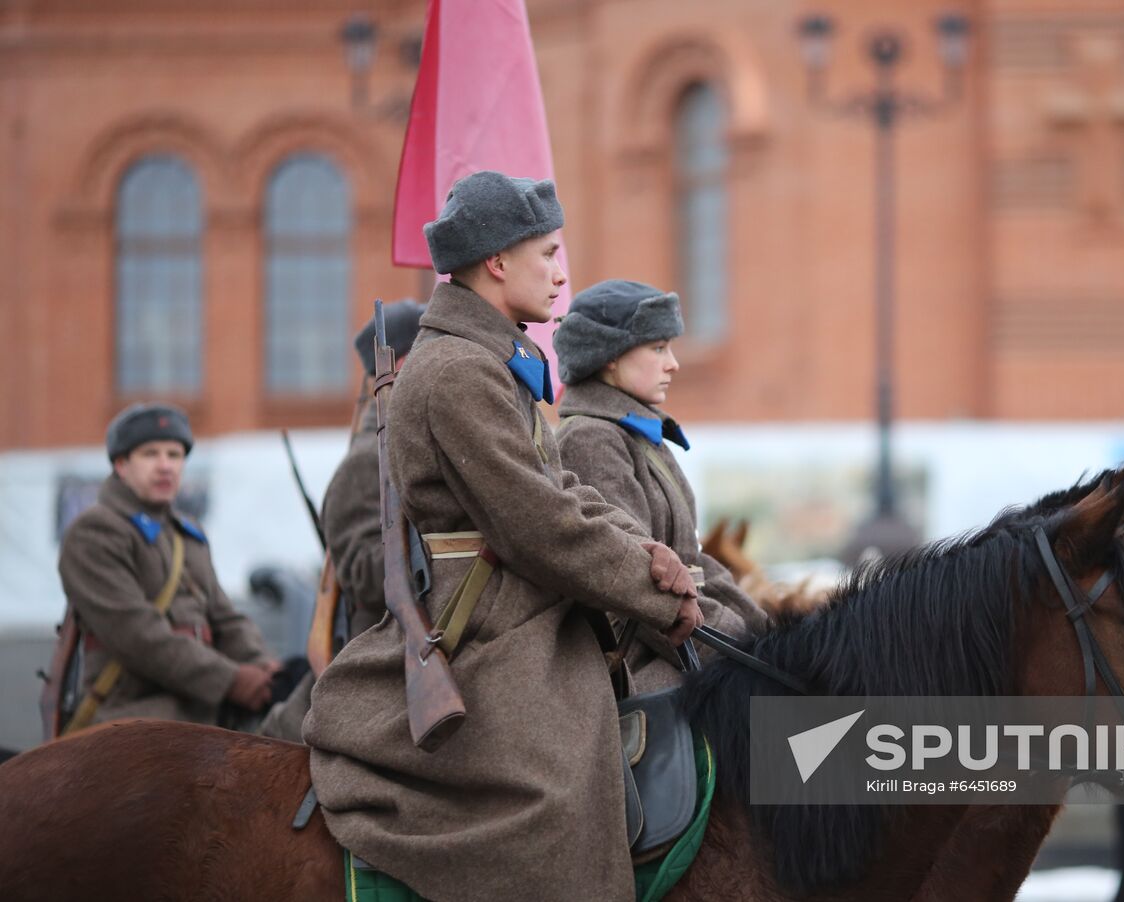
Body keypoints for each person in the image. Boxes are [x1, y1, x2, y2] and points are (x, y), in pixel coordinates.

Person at [302, 171, 702, 902]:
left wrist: (651, 557)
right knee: (558, 789)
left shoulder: (491, 362)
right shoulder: (458, 370)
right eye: (548, 254)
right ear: (496, 262)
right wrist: (648, 590)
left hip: (521, 613)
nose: (559, 274)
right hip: (487, 629)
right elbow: (534, 522)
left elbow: (562, 491)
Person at [553, 278, 768, 691]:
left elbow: (693, 563)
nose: (674, 363)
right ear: (609, 357)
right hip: (638, 660)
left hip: (680, 640)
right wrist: (738, 646)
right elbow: (635, 574)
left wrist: (769, 632)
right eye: (657, 348)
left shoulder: (636, 433)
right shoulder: (591, 439)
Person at [258, 300, 427, 742]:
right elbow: (367, 576)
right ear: (404, 362)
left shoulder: (412, 443)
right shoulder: (366, 463)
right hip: (381, 659)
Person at [56, 403, 276, 729]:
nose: (165, 466)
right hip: (135, 713)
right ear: (121, 464)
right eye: (150, 454)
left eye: (174, 456)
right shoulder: (95, 532)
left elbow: (225, 618)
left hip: (204, 706)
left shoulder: (187, 533)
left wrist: (262, 671)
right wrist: (232, 680)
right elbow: (138, 636)